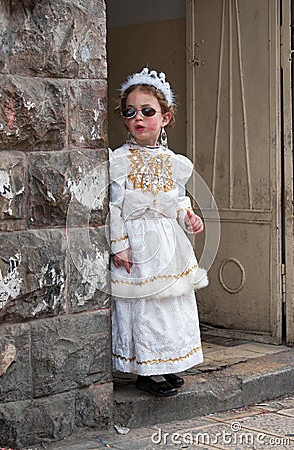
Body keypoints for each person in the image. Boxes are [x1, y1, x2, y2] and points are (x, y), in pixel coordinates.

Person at [109, 67, 208, 397]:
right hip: (138, 243)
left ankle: (167, 363)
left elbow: (177, 201)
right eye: (130, 112)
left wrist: (188, 218)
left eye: (148, 111)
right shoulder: (120, 159)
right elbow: (114, 205)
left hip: (168, 243)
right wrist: (119, 245)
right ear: (124, 119)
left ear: (165, 118)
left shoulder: (172, 161)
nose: (139, 118)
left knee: (171, 304)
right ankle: (146, 370)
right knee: (145, 306)